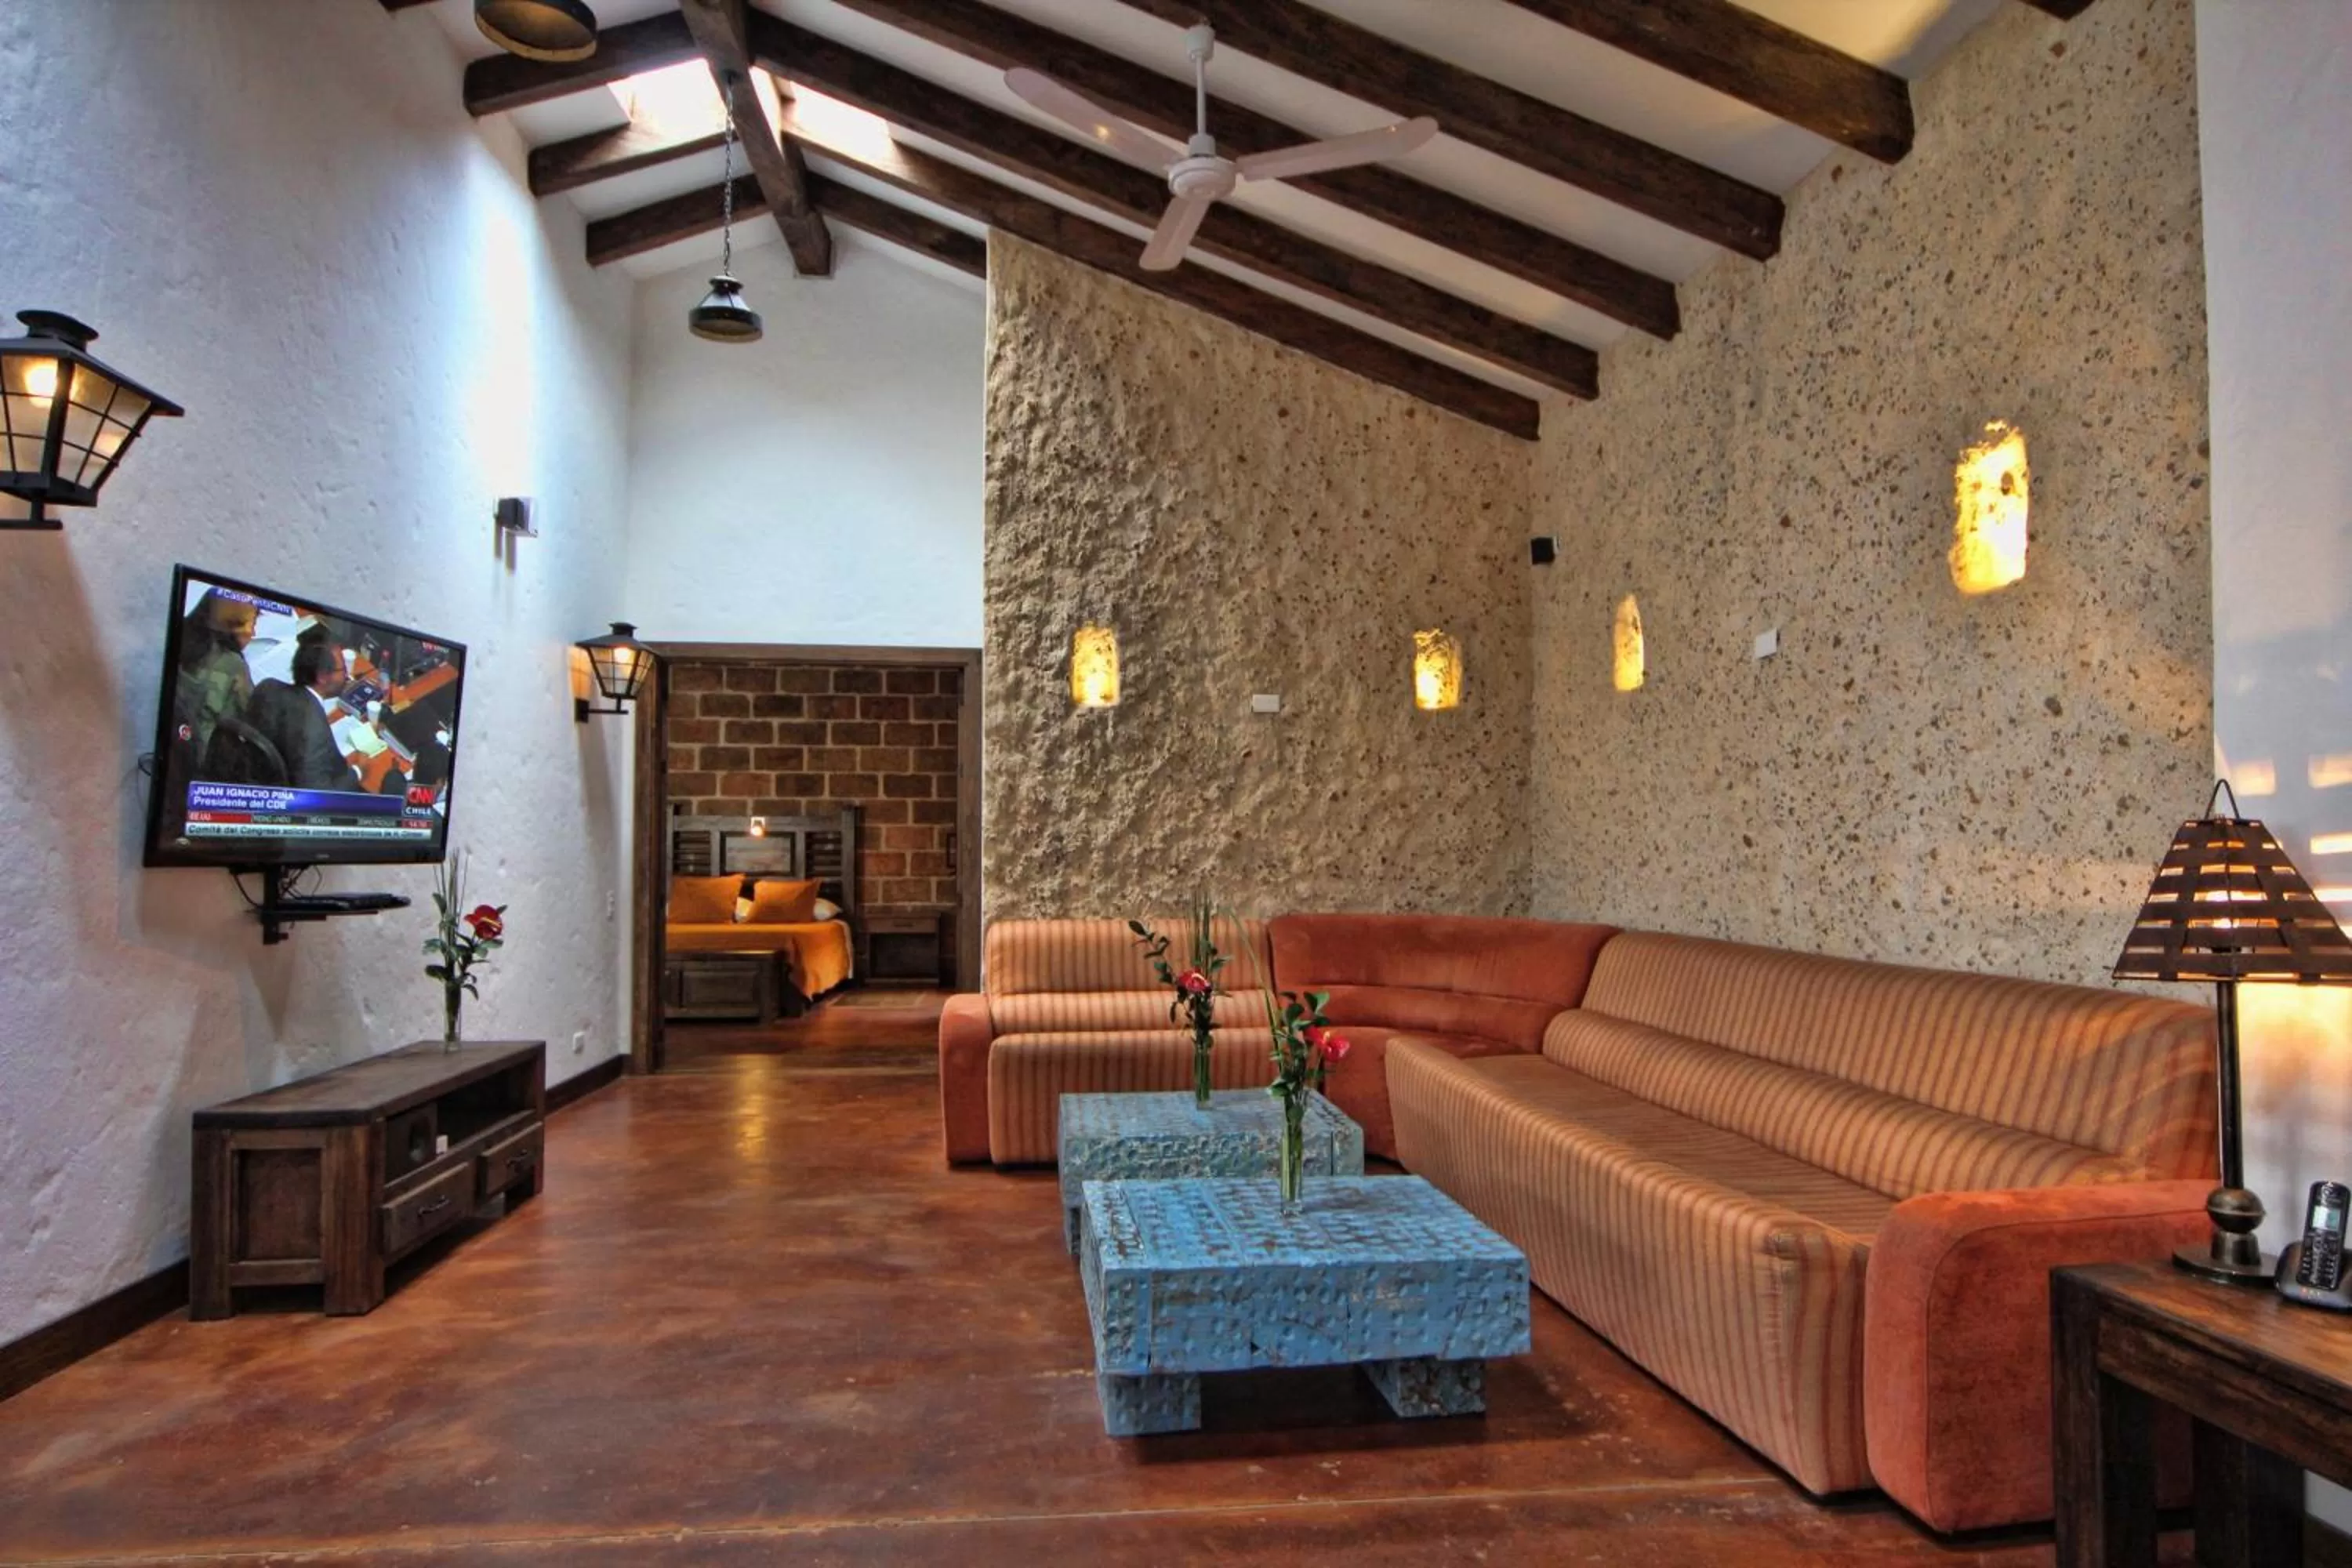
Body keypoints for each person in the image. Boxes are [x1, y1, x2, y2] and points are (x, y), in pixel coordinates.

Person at [244, 624, 362, 792]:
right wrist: (358, 772)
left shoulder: (267, 687)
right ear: (322, 677)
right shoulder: (314, 733)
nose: (346, 676)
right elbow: (319, 799)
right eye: (342, 669)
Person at [172, 590, 258, 764]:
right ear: (233, 624)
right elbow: (256, 718)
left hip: (175, 757)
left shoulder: (179, 638)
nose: (254, 633)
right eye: (253, 623)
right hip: (205, 766)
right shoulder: (231, 663)